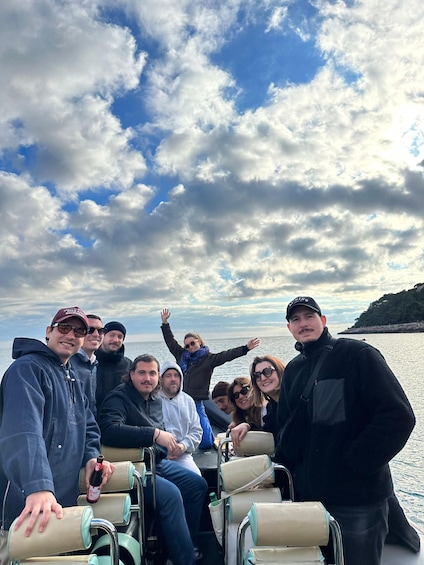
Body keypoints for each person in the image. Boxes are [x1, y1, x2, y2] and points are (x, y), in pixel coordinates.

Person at [276, 295, 416, 565]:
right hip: (309, 499)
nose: (303, 323)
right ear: (289, 328)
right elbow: (286, 427)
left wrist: (356, 463)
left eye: (309, 316)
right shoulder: (293, 370)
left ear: (323, 320)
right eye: (296, 319)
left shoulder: (357, 355)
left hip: (357, 500)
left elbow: (398, 416)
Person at [0, 307, 115, 565]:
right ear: (48, 332)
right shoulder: (26, 369)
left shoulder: (70, 376)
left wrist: (90, 457)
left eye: (79, 331)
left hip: (59, 504)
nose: (71, 335)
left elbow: (88, 425)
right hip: (22, 506)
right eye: (64, 328)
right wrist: (38, 486)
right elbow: (22, 430)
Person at [98, 354, 208, 565]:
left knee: (197, 485)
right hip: (132, 469)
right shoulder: (118, 398)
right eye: (141, 373)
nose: (147, 378)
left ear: (158, 377)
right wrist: (154, 434)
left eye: (152, 373)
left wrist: (172, 447)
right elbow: (109, 429)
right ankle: (184, 560)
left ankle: (178, 545)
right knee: (171, 495)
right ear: (131, 375)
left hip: (156, 462)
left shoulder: (155, 399)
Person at [160, 308, 260, 448]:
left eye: (193, 343)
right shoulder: (182, 356)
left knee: (206, 442)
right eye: (187, 345)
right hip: (180, 400)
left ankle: (194, 442)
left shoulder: (209, 359)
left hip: (196, 401)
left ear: (199, 342)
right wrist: (165, 323)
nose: (190, 347)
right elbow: (170, 341)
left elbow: (227, 355)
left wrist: (245, 349)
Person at [230, 357, 285, 449]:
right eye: (257, 375)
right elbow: (268, 434)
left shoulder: (296, 402)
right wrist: (247, 426)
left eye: (267, 371)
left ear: (280, 371)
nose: (262, 378)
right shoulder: (272, 408)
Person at [159, 361, 203, 476]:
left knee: (197, 479)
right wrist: (163, 451)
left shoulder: (188, 401)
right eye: (168, 376)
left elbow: (196, 431)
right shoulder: (153, 400)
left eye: (176, 375)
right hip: (159, 457)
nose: (173, 379)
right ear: (161, 379)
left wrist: (183, 446)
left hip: (182, 455)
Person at [71, 314, 104, 416]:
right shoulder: (68, 363)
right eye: (90, 330)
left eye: (100, 331)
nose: (96, 334)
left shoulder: (95, 364)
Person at [95, 320, 132, 411]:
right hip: (91, 417)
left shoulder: (129, 365)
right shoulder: (91, 362)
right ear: (103, 336)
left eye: (120, 337)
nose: (116, 340)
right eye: (112, 335)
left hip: (119, 417)